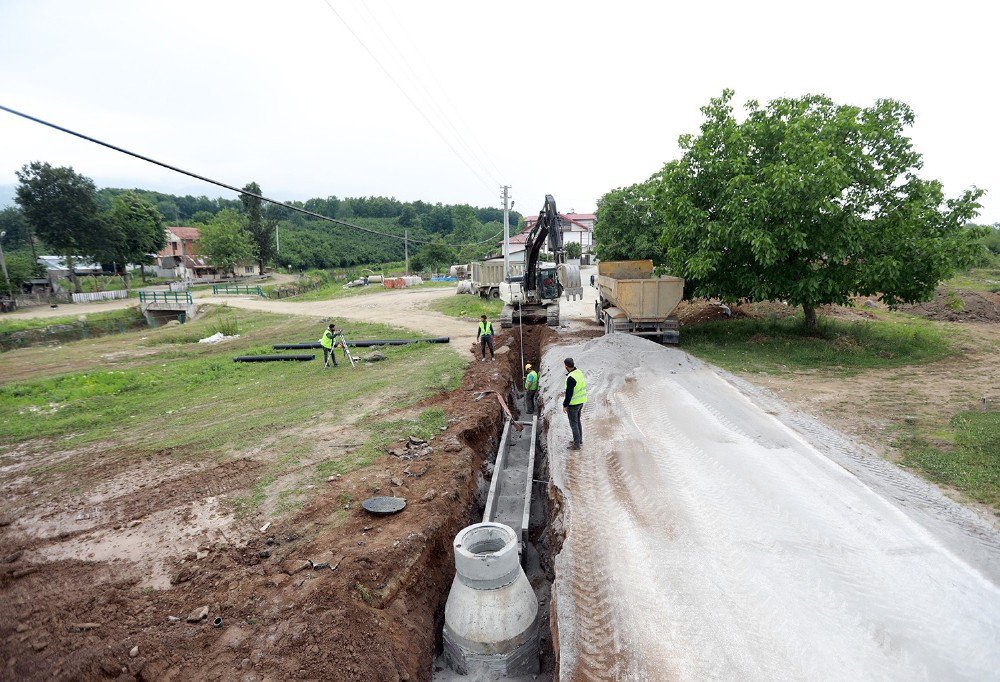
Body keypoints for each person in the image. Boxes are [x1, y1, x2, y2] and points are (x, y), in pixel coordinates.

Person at [562, 357, 587, 450]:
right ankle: (579, 440)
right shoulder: (579, 372)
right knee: (577, 421)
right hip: (581, 401)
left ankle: (576, 445)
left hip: (573, 404)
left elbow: (569, 393)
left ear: (566, 366)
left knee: (573, 424)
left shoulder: (570, 378)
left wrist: (565, 405)